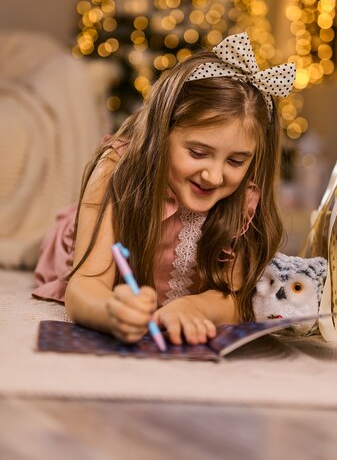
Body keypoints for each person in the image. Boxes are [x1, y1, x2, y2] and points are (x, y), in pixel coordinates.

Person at [33, 32, 296, 346]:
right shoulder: (115, 171)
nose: (213, 176)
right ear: (162, 133)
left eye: (236, 160)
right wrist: (110, 311)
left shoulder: (242, 199)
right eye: (198, 153)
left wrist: (193, 305)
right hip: (89, 248)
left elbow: (236, 298)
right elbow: (85, 284)